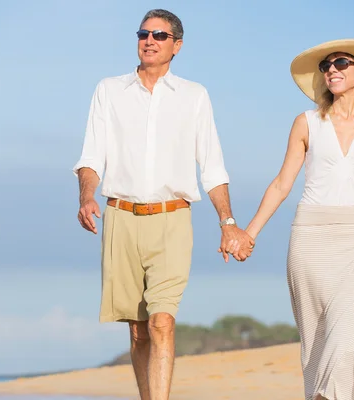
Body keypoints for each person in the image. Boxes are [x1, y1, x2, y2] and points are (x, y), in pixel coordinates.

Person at [72, 9, 254, 400]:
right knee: (138, 330)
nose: (149, 40)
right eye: (143, 33)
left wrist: (229, 221)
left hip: (173, 220)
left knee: (162, 322)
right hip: (120, 218)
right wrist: (87, 196)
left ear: (177, 46)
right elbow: (90, 157)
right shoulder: (109, 89)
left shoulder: (194, 96)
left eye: (159, 35)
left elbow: (213, 166)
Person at [238, 39, 354, 399]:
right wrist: (250, 233)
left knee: (349, 342)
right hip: (310, 239)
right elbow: (281, 184)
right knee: (316, 344)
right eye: (326, 66)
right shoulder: (306, 123)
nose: (332, 70)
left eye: (341, 63)